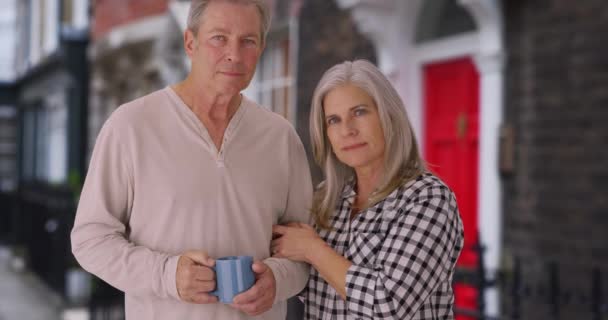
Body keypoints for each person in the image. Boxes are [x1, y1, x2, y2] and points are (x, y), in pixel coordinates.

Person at [71, 1, 312, 319]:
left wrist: (277, 280)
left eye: (248, 41)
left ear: (262, 47)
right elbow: (91, 239)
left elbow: (305, 250)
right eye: (219, 38)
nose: (234, 55)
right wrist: (167, 275)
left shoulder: (281, 138)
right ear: (190, 43)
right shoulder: (130, 126)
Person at [271, 59, 464, 319]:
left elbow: (388, 306)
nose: (347, 130)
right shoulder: (328, 198)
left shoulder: (427, 199)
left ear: (388, 116)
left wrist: (313, 249)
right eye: (334, 120)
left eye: (359, 112)